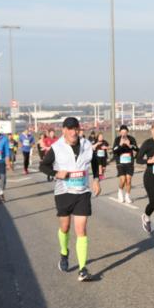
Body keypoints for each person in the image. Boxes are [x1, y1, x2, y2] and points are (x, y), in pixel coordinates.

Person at [39, 117, 101, 281]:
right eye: (71, 129)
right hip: (64, 192)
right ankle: (64, 253)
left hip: (82, 191)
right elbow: (43, 166)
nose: (74, 132)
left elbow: (94, 162)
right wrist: (55, 173)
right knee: (65, 227)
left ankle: (82, 269)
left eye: (76, 128)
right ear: (64, 130)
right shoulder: (57, 147)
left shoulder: (87, 145)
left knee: (81, 229)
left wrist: (96, 180)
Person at [112, 125, 138, 203]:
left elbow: (137, 148)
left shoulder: (131, 139)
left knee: (129, 180)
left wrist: (130, 145)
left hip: (129, 162)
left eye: (125, 132)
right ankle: (120, 191)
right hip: (120, 162)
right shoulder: (117, 139)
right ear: (120, 132)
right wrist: (120, 144)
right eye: (122, 132)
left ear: (127, 132)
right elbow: (114, 150)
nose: (123, 134)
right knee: (123, 180)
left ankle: (127, 196)